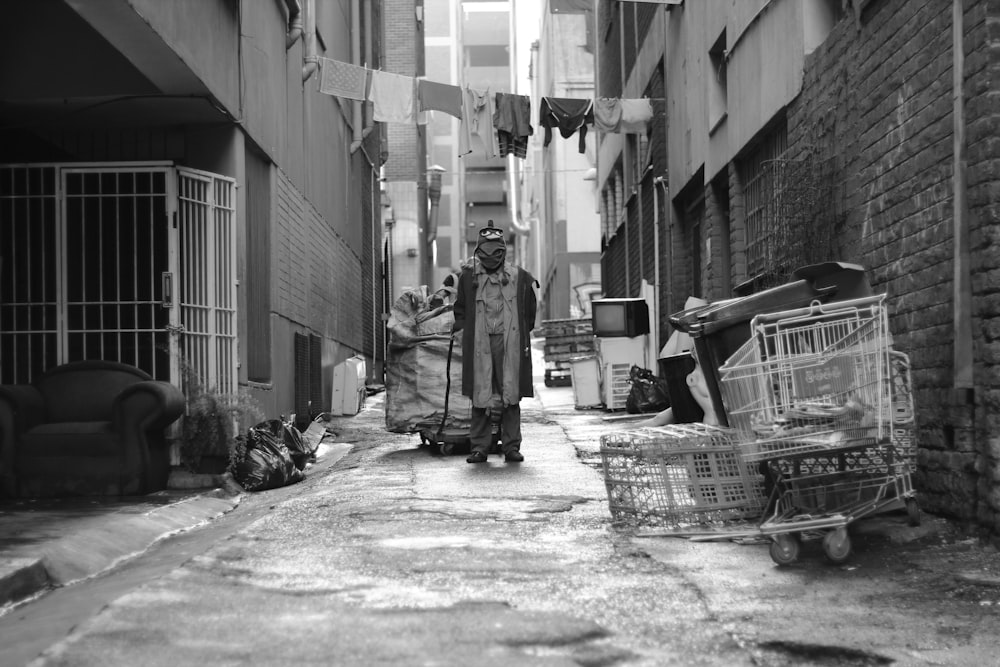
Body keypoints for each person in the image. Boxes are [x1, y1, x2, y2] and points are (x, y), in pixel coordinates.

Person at [452, 220, 538, 463]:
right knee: (481, 395)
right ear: (478, 252)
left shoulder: (519, 277)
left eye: (495, 251)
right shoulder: (468, 278)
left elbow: (529, 311)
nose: (491, 257)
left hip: (509, 344)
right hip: (479, 345)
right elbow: (460, 311)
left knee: (510, 394)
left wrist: (520, 339)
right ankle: (480, 447)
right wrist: (464, 335)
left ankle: (511, 446)